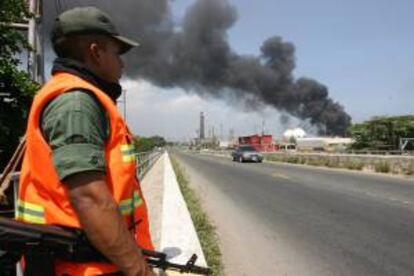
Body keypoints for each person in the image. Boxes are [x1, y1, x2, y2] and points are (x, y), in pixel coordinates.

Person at [17, 6, 155, 276]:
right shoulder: (77, 103)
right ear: (95, 52)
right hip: (82, 268)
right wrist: (140, 271)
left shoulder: (74, 95)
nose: (122, 64)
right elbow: (89, 197)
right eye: (117, 54)